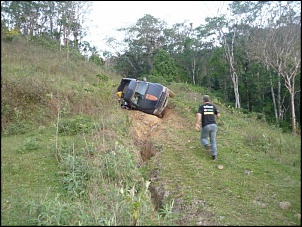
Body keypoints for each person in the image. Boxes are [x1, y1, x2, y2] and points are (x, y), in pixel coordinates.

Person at [195, 95, 221, 161]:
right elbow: (218, 115)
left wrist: (197, 123)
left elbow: (198, 115)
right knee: (213, 141)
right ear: (209, 100)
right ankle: (214, 156)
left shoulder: (202, 107)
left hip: (206, 125)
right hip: (214, 125)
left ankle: (207, 145)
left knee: (203, 138)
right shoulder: (213, 106)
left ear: (203, 100)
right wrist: (216, 113)